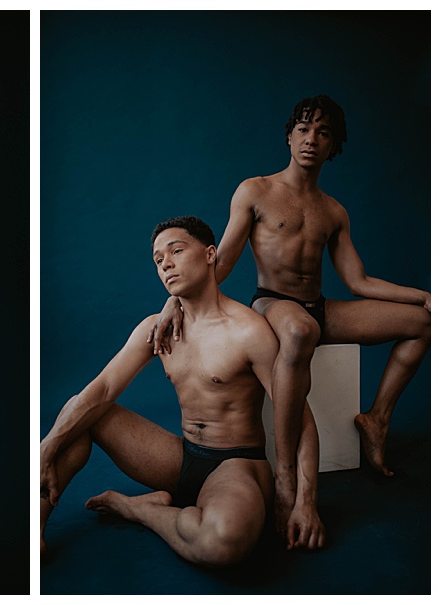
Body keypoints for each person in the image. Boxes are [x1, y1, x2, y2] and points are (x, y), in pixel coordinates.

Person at [149, 95, 430, 548]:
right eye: (303, 129)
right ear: (289, 136)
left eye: (323, 133)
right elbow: (219, 261)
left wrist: (427, 297)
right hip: (273, 304)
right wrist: (174, 302)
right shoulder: (255, 191)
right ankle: (286, 477)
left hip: (318, 305)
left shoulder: (334, 211)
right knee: (300, 330)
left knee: (422, 324)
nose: (311, 139)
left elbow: (357, 281)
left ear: (334, 145)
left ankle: (377, 419)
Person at [41, 216, 293, 566]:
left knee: (222, 543)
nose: (166, 264)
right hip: (182, 458)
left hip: (236, 465)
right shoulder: (158, 328)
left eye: (176, 251)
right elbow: (102, 389)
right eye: (158, 260)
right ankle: (35, 525)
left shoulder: (249, 331)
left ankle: (139, 509)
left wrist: (300, 496)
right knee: (80, 412)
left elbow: (297, 415)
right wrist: (45, 449)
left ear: (210, 255)